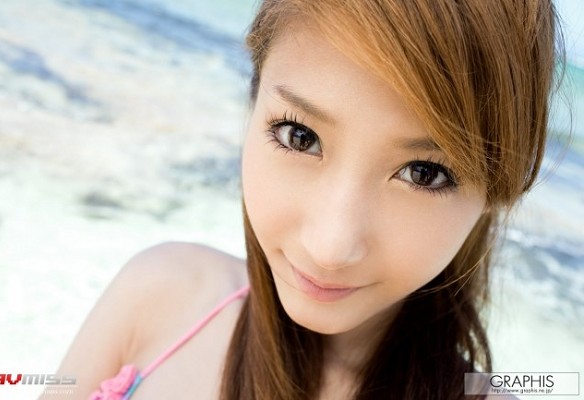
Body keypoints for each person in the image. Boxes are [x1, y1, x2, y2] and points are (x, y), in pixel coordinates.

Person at [45, 0, 563, 399]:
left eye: (423, 173)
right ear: (254, 99)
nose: (330, 247)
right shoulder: (160, 294)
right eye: (300, 136)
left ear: (499, 190)